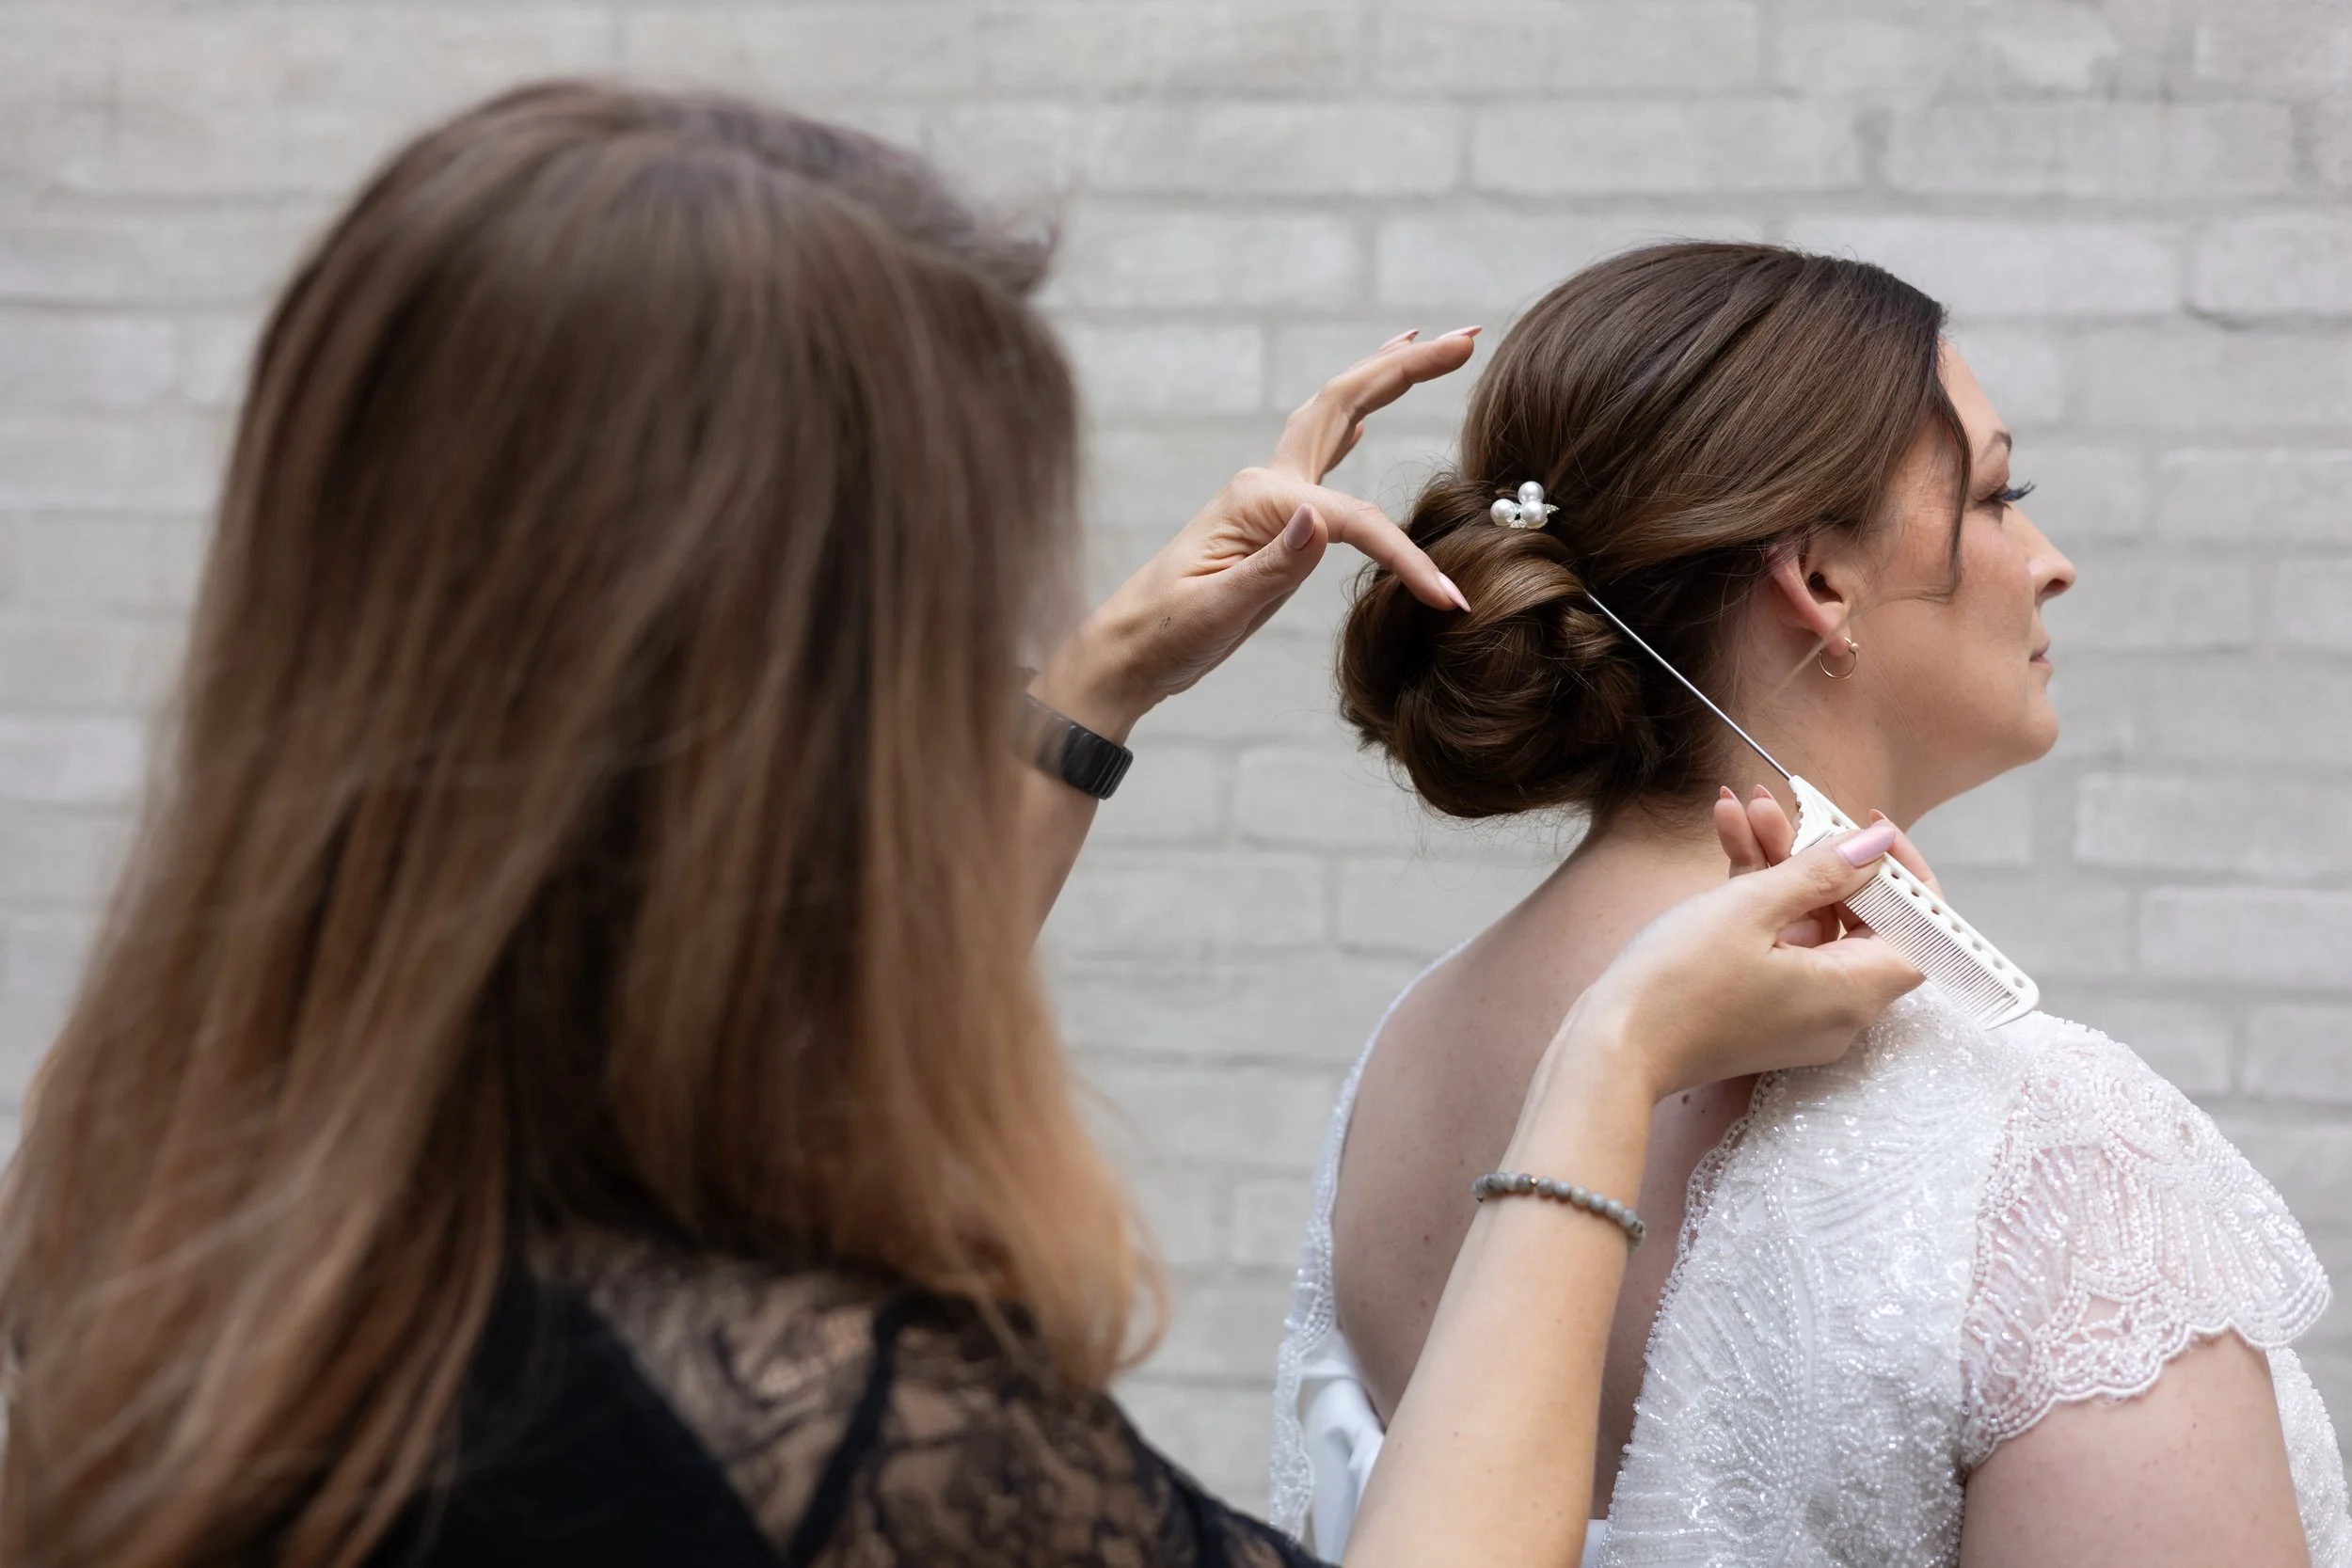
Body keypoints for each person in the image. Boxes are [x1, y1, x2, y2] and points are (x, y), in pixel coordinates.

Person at [0, 86, 1930, 1568]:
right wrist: (1609, 1064)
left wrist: (1091, 697)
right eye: (973, 606)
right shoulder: (834, 1438)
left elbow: (724, 1063)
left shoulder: (150, 1216)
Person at [1272, 242, 2352, 1568]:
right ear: (1821, 581)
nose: (2051, 562)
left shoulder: (1405, 1056)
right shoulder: (2053, 1159)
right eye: (1999, 497)